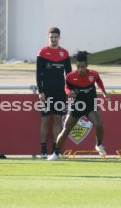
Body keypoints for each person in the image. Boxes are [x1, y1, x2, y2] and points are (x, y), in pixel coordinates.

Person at [48, 51, 110, 161]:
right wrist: (69, 93)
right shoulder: (70, 77)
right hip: (77, 106)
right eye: (78, 66)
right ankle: (56, 153)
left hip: (90, 105)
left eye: (83, 66)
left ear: (87, 65)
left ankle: (99, 144)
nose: (80, 69)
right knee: (66, 130)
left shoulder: (93, 74)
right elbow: (66, 88)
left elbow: (99, 82)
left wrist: (104, 92)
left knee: (99, 125)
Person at [36, 27, 72, 158]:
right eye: (51, 37)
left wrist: (69, 91)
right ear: (48, 38)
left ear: (59, 38)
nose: (53, 39)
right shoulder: (42, 53)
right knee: (45, 119)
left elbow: (69, 75)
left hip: (60, 92)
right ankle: (43, 150)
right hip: (46, 92)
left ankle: (56, 151)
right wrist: (41, 91)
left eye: (55, 37)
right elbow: (38, 75)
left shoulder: (65, 54)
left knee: (57, 119)